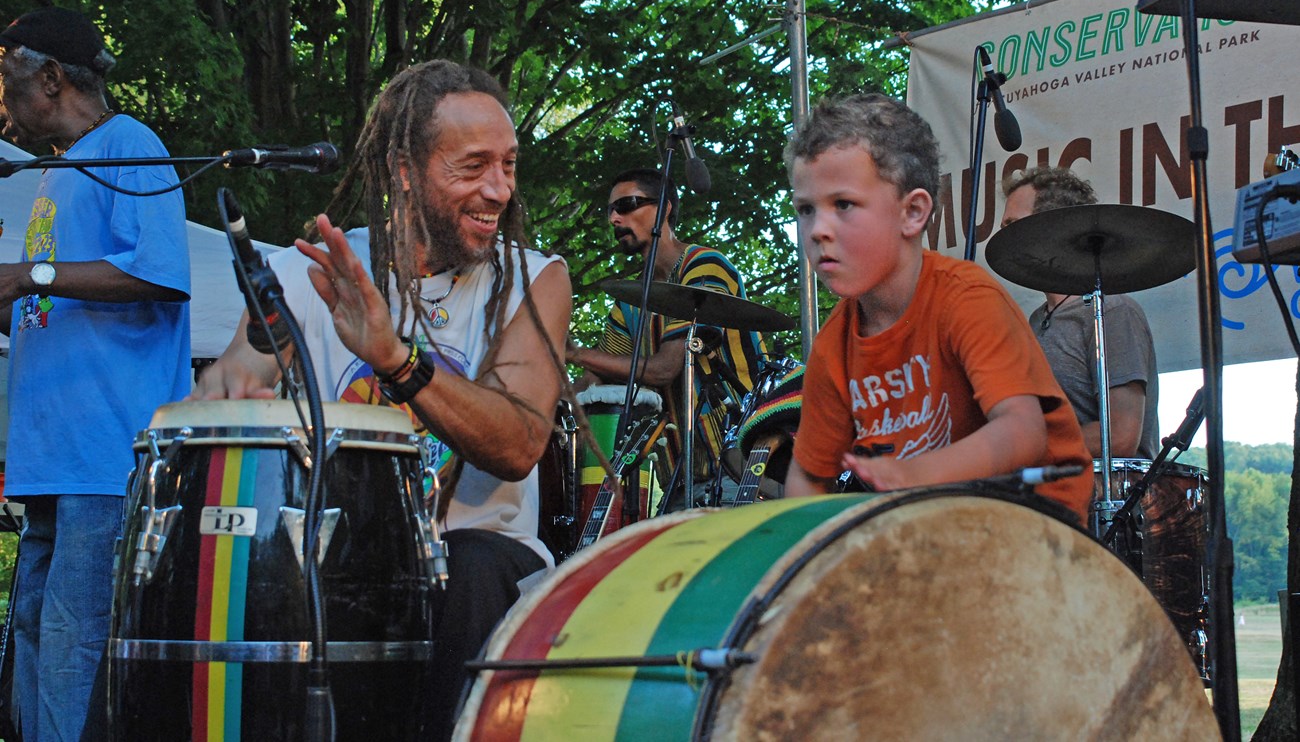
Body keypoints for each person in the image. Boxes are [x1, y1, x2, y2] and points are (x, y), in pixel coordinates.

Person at [193, 59, 571, 739]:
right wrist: (230, 400)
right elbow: (232, 381)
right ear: (403, 168)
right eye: (474, 166)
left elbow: (519, 446)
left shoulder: (534, 280)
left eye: (509, 165)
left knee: (470, 559)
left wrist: (396, 360)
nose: (499, 190)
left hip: (478, 564)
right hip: (328, 563)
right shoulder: (309, 273)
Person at [0, 6, 191, 739]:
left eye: (6, 74)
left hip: (105, 457)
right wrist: (18, 290)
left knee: (75, 645)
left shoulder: (129, 145)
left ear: (50, 77)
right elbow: (46, 304)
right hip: (53, 460)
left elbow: (161, 276)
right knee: (39, 635)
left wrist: (28, 274)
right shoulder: (60, 171)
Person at [782, 93, 1092, 523]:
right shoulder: (834, 344)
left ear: (913, 212)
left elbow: (1022, 432)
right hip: (932, 522)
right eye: (806, 210)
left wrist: (913, 474)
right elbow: (808, 475)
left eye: (844, 205)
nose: (818, 230)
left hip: (1035, 521)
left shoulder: (965, 297)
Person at [566, 168, 763, 502]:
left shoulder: (704, 266)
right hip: (678, 479)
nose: (614, 218)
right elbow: (595, 381)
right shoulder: (630, 301)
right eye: (610, 210)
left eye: (627, 205)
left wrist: (571, 351)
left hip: (739, 466)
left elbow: (664, 369)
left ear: (665, 208)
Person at [999, 167, 1159, 459]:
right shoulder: (1036, 320)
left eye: (1013, 225)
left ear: (1053, 228)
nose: (1002, 237)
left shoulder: (1112, 310)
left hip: (1107, 498)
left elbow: (1121, 436)